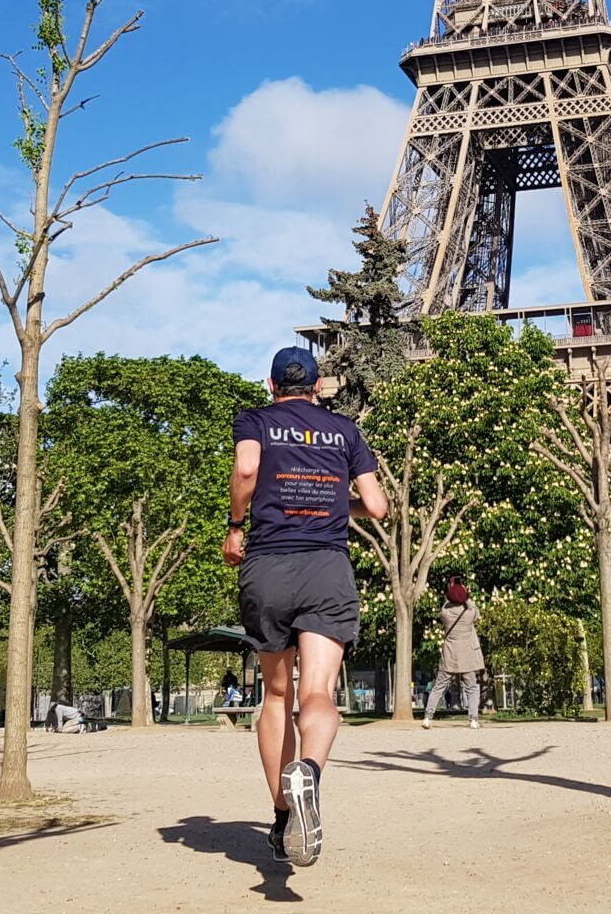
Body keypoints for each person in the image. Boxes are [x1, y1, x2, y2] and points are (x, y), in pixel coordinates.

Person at [222, 346, 387, 867]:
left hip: (268, 565)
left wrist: (234, 524)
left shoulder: (256, 420)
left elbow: (247, 470)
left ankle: (281, 815)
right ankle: (310, 771)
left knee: (276, 695)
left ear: (271, 386)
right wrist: (339, 502)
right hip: (326, 568)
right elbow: (379, 507)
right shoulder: (345, 431)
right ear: (319, 387)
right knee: (317, 691)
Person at [422, 576, 485, 729]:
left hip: (450, 654)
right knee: (471, 688)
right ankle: (473, 719)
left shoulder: (445, 614)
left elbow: (445, 605)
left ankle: (428, 718)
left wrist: (451, 592)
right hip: (467, 655)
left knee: (438, 687)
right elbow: (474, 609)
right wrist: (465, 594)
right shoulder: (469, 614)